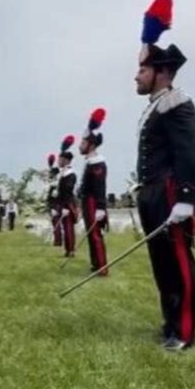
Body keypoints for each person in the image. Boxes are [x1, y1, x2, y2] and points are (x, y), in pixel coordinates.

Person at [134, 0, 195, 351]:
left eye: (142, 70)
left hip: (171, 195)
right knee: (161, 264)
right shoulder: (154, 107)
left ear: (161, 72)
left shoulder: (177, 103)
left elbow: (192, 151)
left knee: (177, 261)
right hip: (151, 195)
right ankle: (170, 322)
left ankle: (186, 331)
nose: (136, 75)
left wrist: (188, 200)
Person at [79, 108, 108, 275]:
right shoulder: (90, 161)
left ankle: (102, 267)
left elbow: (100, 187)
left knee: (95, 234)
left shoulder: (97, 163)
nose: (80, 146)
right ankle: (96, 264)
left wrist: (100, 207)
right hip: (86, 201)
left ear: (91, 145)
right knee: (91, 235)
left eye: (83, 143)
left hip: (92, 202)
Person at [56, 135, 77, 258]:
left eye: (61, 159)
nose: (59, 162)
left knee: (69, 227)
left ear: (66, 160)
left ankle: (71, 250)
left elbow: (68, 191)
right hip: (63, 203)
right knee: (65, 227)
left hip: (68, 204)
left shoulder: (70, 174)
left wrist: (65, 206)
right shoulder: (63, 173)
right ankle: (68, 249)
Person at [46, 153, 62, 246]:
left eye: (51, 173)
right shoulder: (53, 182)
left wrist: (53, 207)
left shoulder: (55, 183)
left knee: (56, 222)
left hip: (55, 205)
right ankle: (57, 239)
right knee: (54, 223)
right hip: (52, 205)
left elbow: (54, 196)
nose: (49, 175)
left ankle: (58, 241)